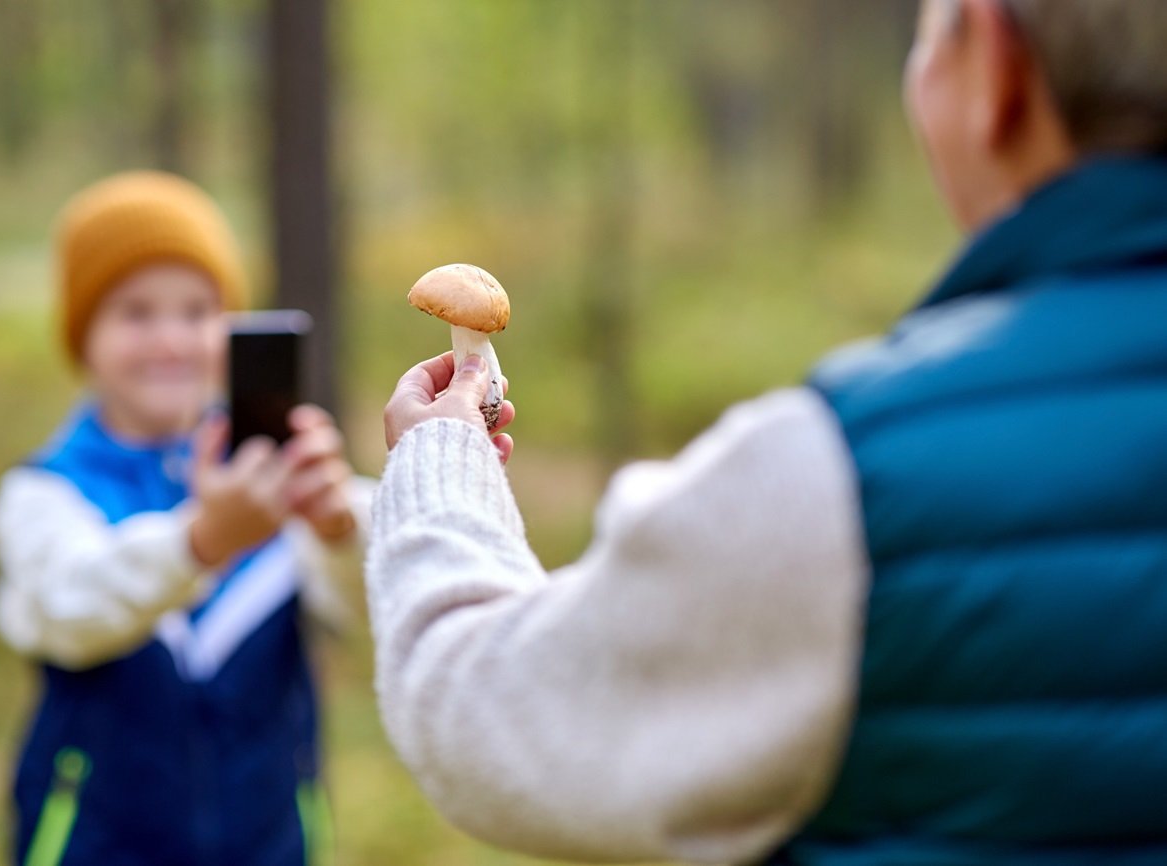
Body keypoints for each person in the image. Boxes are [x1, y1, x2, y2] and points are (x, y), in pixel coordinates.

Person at [368, 0, 1167, 863]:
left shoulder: (846, 473)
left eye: (928, 36)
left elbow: (490, 712)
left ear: (997, 68)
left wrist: (439, 457)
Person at [0, 170, 369, 866]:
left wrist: (337, 524)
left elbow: (371, 605)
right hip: (93, 848)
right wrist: (201, 544)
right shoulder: (45, 492)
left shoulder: (272, 472)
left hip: (271, 844)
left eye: (197, 312)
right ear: (84, 331)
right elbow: (66, 609)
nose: (170, 340)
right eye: (136, 313)